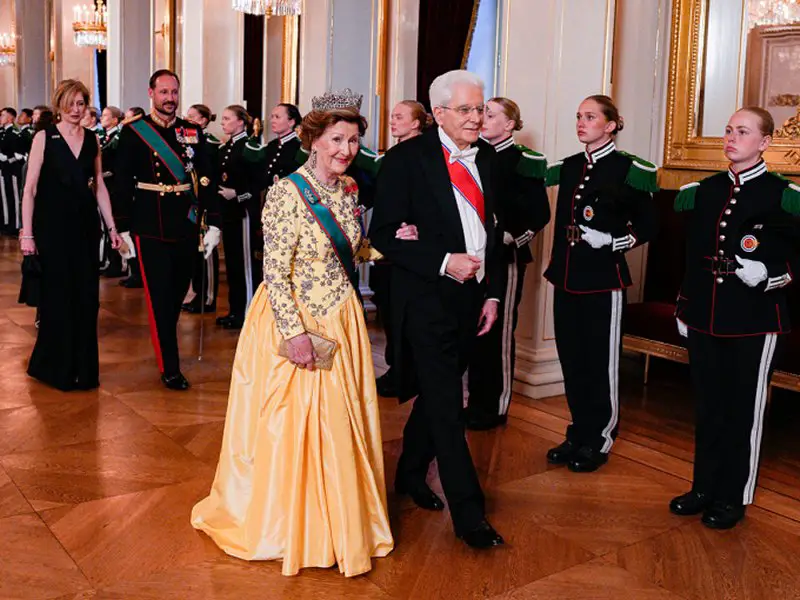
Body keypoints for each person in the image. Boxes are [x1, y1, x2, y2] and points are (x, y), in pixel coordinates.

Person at [192, 90, 397, 577]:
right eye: (336, 139)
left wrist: (387, 249)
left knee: (341, 423)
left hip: (342, 317)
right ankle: (290, 525)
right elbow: (274, 272)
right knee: (296, 426)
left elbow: (349, 248)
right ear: (314, 140)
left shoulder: (348, 190)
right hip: (296, 319)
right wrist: (295, 334)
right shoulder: (288, 190)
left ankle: (341, 522)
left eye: (353, 140)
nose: (346, 150)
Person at [370, 70, 510, 549]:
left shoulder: (488, 158)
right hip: (428, 299)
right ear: (440, 114)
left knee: (436, 396)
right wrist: (443, 260)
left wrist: (492, 294)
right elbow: (384, 234)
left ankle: (410, 474)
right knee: (450, 405)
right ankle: (469, 516)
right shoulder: (405, 160)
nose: (477, 118)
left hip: (473, 299)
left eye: (481, 108)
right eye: (468, 110)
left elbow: (493, 232)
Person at [670, 107, 800, 529]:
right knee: (709, 407)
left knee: (744, 409)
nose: (731, 137)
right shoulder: (705, 191)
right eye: (728, 130)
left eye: (742, 132)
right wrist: (684, 306)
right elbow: (692, 256)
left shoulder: (783, 196)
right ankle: (704, 487)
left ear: (764, 143)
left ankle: (734, 496)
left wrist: (772, 275)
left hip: (755, 320)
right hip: (706, 315)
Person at [543, 95, 658, 472]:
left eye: (590, 117)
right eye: (578, 116)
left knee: (600, 364)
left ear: (610, 125)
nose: (581, 123)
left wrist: (612, 242)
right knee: (572, 360)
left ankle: (601, 437)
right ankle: (578, 432)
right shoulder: (572, 166)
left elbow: (647, 226)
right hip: (567, 276)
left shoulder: (629, 169)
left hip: (603, 280)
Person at [114, 69, 221, 390]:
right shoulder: (134, 132)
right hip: (149, 226)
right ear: (151, 94)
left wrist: (213, 221)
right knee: (160, 300)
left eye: (174, 92)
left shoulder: (192, 131)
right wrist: (121, 230)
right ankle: (170, 367)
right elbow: (121, 183)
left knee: (175, 296)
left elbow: (207, 178)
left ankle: (167, 347)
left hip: (186, 224)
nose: (170, 99)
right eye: (163, 92)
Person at [19, 79, 123, 391]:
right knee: (57, 298)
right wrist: (27, 234)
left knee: (87, 299)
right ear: (59, 104)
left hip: (85, 229)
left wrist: (112, 228)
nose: (76, 110)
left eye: (81, 104)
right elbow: (30, 189)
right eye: (71, 103)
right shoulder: (44, 137)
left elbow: (99, 186)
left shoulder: (93, 139)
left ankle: (84, 370)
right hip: (51, 230)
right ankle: (56, 369)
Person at [465, 97, 551, 430]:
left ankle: (496, 407)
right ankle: (475, 401)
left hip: (506, 256)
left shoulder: (523, 161)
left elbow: (540, 213)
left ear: (511, 124)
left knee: (499, 332)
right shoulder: (474, 155)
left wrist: (512, 236)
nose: (482, 118)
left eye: (491, 114)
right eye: (481, 112)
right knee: (476, 330)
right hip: (476, 258)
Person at [373, 100, 434, 399]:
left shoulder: (422, 155)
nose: (392, 121)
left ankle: (403, 373)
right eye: (391, 116)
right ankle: (395, 368)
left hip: (407, 248)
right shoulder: (393, 154)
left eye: (399, 117)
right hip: (386, 245)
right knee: (388, 307)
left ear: (416, 123)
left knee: (403, 313)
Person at [213, 105, 263, 330]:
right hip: (229, 213)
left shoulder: (249, 148)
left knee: (245, 266)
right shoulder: (227, 147)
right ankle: (235, 310)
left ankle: (248, 312)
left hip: (243, 212)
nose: (223, 123)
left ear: (240, 122)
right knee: (233, 264)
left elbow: (257, 183)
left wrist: (238, 195)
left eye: (227, 119)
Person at [182, 104, 221, 314]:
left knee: (206, 252)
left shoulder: (210, 143)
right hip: (194, 201)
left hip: (207, 201)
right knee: (196, 253)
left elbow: (208, 175)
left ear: (204, 120)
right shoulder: (190, 141)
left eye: (192, 116)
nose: (187, 120)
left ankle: (208, 297)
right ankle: (197, 293)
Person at [116, 106, 148, 289]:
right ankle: (134, 271)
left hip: (141, 193)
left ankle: (138, 273)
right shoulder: (127, 136)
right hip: (129, 193)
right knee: (129, 235)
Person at [98, 106, 125, 277]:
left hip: (114, 185)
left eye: (106, 115)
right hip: (105, 185)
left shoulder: (118, 138)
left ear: (115, 120)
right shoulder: (104, 137)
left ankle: (117, 263)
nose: (102, 118)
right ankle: (110, 261)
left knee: (114, 224)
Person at [0, 107, 19, 235]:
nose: (0, 118)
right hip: (3, 170)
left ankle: (14, 225)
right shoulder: (3, 133)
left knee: (13, 198)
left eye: (2, 115)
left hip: (11, 170)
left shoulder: (14, 134)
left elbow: (20, 154)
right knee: (4, 198)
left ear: (10, 118)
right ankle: (5, 224)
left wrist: (7, 159)